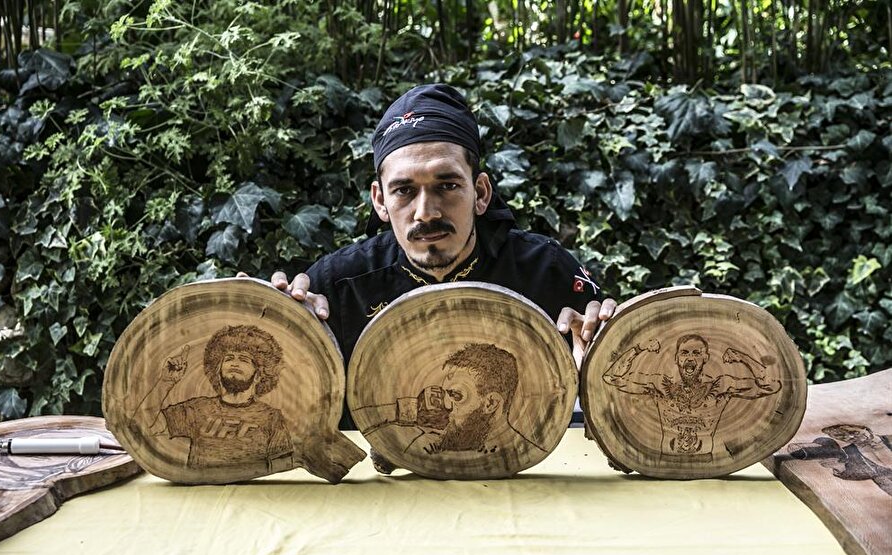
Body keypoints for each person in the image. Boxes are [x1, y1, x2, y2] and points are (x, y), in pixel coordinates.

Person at [255, 83, 617, 428]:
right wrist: (270, 322)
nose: (425, 212)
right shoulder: (338, 287)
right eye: (404, 190)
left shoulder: (546, 271)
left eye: (447, 185)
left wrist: (602, 342)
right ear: (380, 200)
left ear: (481, 192)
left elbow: (611, 390)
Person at [138, 325, 295, 471]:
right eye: (229, 358)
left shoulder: (271, 417)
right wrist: (165, 383)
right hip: (200, 493)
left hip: (251, 494)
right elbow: (147, 427)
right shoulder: (197, 409)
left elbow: (283, 465)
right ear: (217, 370)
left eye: (244, 359)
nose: (235, 363)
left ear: (259, 375)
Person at [357, 343, 544, 463]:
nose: (445, 406)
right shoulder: (445, 439)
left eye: (456, 396)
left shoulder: (528, 454)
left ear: (491, 403)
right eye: (446, 394)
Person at [601, 335, 782, 458]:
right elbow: (611, 377)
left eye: (696, 353)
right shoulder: (661, 385)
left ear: (706, 358)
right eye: (684, 353)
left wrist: (743, 357)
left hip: (710, 467)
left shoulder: (720, 387)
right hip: (663, 467)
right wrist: (639, 348)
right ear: (677, 358)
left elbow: (772, 385)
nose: (690, 358)